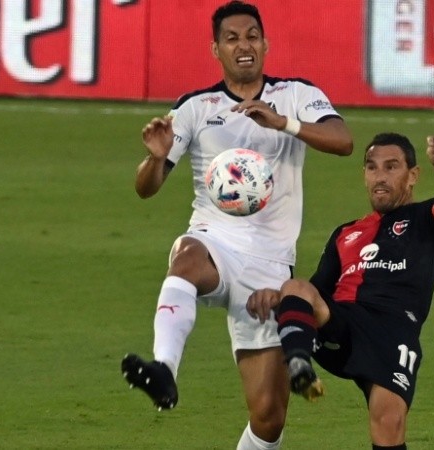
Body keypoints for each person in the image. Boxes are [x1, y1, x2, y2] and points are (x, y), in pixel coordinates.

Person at [120, 1, 353, 449]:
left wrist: (282, 122)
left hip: (270, 265)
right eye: (232, 38)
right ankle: (164, 369)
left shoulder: (295, 95)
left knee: (269, 418)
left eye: (251, 36)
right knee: (185, 258)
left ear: (265, 44)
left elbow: (343, 141)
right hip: (215, 242)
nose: (243, 46)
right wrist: (155, 157)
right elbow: (146, 188)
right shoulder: (195, 108)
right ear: (216, 49)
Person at [246, 132, 434, 449]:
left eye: (391, 167)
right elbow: (314, 292)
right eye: (372, 167)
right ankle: (299, 363)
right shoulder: (345, 233)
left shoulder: (425, 218)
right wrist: (280, 298)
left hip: (392, 331)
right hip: (342, 324)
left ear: (413, 176)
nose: (379, 177)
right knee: (295, 286)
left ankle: (299, 359)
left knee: (388, 422)